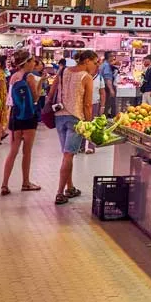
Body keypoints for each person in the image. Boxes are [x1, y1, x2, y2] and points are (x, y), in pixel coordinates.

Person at [51, 49, 99, 205]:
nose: (96, 65)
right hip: (76, 119)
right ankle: (59, 192)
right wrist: (89, 123)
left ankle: (70, 187)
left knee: (67, 154)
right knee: (68, 155)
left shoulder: (64, 71)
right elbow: (87, 104)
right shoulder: (87, 77)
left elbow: (54, 88)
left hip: (59, 116)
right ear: (86, 61)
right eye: (95, 62)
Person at [0, 51, 41, 195]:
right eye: (33, 61)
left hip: (15, 116)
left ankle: (4, 184)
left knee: (13, 151)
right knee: (27, 152)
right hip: (29, 116)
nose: (34, 64)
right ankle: (26, 182)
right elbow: (35, 98)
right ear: (27, 62)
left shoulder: (13, 77)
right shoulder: (29, 77)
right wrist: (40, 84)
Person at [99, 52, 116, 118]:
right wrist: (111, 90)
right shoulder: (106, 66)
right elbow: (107, 79)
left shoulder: (103, 64)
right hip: (106, 88)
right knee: (106, 105)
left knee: (104, 105)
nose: (113, 58)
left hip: (103, 87)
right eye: (112, 56)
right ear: (109, 57)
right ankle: (104, 120)